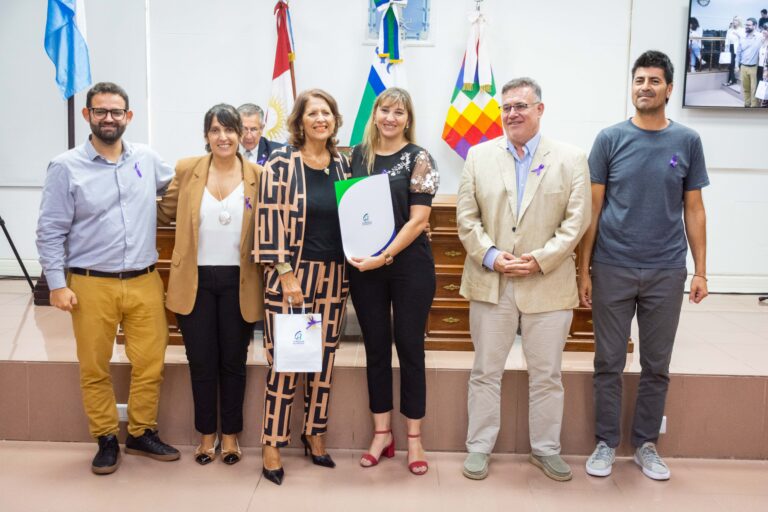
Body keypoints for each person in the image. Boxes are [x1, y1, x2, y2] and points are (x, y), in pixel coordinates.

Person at [36, 82, 179, 474]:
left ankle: (141, 432)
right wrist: (57, 283)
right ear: (88, 115)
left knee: (151, 362)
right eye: (101, 111)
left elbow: (183, 185)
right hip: (90, 283)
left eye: (116, 112)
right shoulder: (65, 167)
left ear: (128, 116)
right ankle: (105, 438)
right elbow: (50, 230)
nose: (109, 118)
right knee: (94, 366)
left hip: (144, 280)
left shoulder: (147, 158)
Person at [579, 50, 709, 481]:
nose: (645, 88)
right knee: (608, 361)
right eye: (639, 80)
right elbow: (592, 210)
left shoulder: (687, 141)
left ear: (669, 89)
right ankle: (605, 443)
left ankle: (646, 445)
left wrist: (701, 270)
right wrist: (584, 270)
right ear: (631, 86)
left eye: (654, 81)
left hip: (666, 270)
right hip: (612, 265)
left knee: (657, 363)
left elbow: (694, 209)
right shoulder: (609, 139)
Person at [457, 77, 591, 482]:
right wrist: (493, 256)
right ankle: (479, 447)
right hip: (491, 280)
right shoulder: (478, 156)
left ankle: (546, 449)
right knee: (485, 370)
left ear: (540, 110)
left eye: (521, 106)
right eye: (506, 107)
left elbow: (577, 221)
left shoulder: (571, 159)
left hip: (547, 283)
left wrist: (540, 259)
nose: (512, 113)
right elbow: (467, 219)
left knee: (547, 375)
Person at [157, 104, 263, 466]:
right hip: (195, 280)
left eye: (230, 130)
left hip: (240, 281)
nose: (223, 137)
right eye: (216, 130)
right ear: (206, 135)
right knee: (201, 362)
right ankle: (206, 435)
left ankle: (230, 435)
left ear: (241, 135)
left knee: (233, 362)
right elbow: (165, 211)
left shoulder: (258, 175)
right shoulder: (188, 169)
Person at [254, 89, 350, 485]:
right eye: (312, 113)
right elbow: (268, 217)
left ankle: (314, 432)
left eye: (326, 112)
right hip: (293, 276)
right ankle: (273, 442)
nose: (320, 119)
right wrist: (285, 272)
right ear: (299, 121)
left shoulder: (343, 165)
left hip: (335, 275)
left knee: (323, 361)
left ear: (335, 120)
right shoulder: (281, 162)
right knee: (288, 361)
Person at [349, 87, 439, 476]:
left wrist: (384, 256)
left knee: (410, 347)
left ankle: (415, 439)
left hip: (409, 266)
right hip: (364, 268)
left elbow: (418, 220)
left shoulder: (419, 158)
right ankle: (382, 433)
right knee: (375, 349)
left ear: (408, 119)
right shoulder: (355, 156)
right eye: (384, 110)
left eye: (399, 112)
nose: (390, 117)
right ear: (374, 114)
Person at [737, 18, 763, 107]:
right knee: (745, 88)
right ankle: (747, 105)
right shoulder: (743, 37)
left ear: (754, 26)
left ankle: (754, 107)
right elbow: (738, 52)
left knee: (754, 89)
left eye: (748, 25)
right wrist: (737, 65)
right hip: (743, 66)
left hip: (754, 67)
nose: (746, 26)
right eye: (746, 25)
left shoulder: (760, 36)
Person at [723, 17, 743, 86]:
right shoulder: (730, 30)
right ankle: (731, 80)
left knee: (733, 64)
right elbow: (727, 39)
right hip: (730, 48)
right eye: (734, 20)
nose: (734, 21)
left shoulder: (741, 30)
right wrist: (726, 49)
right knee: (731, 64)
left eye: (736, 20)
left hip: (738, 49)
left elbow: (743, 39)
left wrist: (737, 34)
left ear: (739, 22)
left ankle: (731, 80)